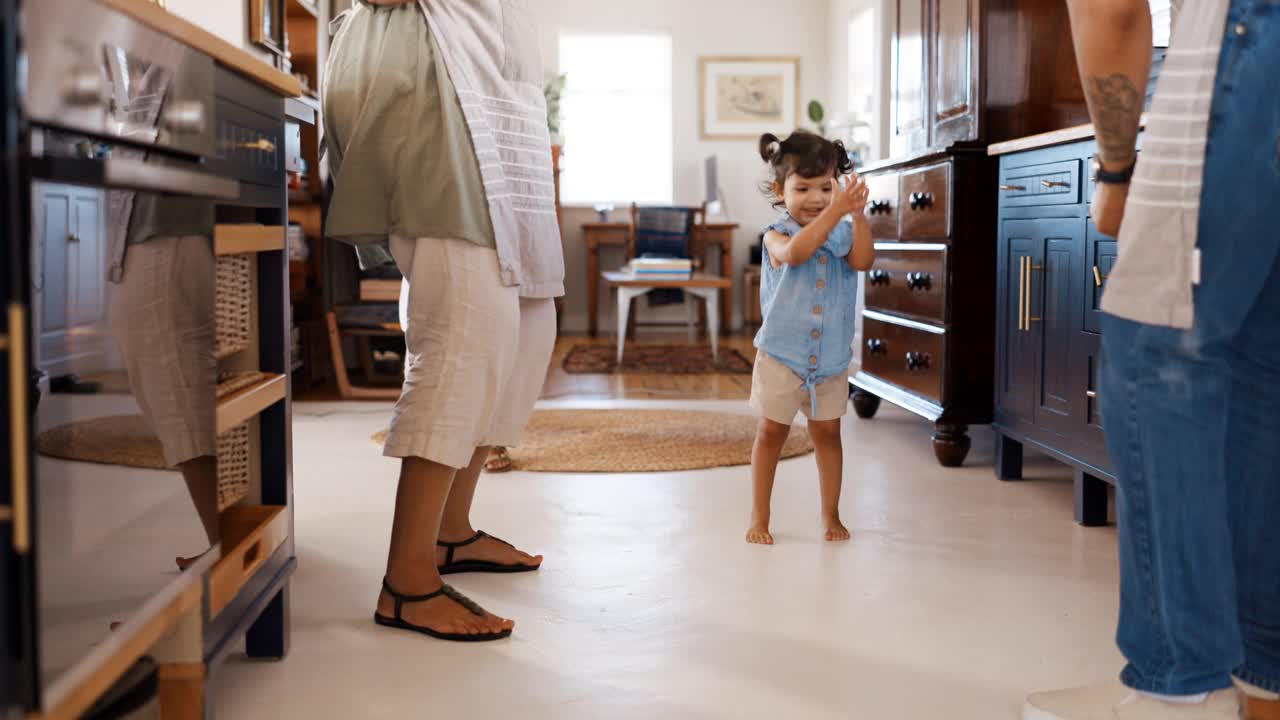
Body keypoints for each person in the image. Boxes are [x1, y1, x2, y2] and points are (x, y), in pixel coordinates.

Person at [1023, 0, 1280, 717]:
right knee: (1265, 372)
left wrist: (1115, 171)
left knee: (1161, 359)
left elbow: (1111, 8)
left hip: (1248, 55)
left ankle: (1180, 686)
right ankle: (1261, 683)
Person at [322, 0, 564, 642]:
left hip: (496, 78)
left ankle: (452, 532)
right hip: (434, 69)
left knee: (528, 325)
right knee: (467, 327)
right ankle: (408, 580)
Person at [745, 131, 874, 546]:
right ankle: (759, 516)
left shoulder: (842, 232)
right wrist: (835, 211)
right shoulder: (774, 234)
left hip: (831, 358)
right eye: (803, 188)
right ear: (781, 192)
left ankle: (830, 514)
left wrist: (858, 216)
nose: (817, 198)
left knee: (828, 436)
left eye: (826, 187)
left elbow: (863, 260)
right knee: (771, 435)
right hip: (782, 355)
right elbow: (797, 253)